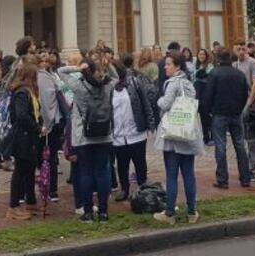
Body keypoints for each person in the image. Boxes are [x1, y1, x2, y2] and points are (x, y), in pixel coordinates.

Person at [153, 52, 204, 225]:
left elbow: (165, 104)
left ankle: (169, 213)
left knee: (172, 174)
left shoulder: (173, 84)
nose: (165, 67)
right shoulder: (188, 83)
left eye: (168, 64)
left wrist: (158, 99)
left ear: (177, 66)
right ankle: (192, 211)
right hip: (187, 132)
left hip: (173, 134)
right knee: (188, 173)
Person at [67, 56, 114, 222]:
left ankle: (87, 212)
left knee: (85, 173)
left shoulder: (78, 87)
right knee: (103, 172)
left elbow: (60, 71)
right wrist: (109, 65)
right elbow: (116, 77)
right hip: (104, 134)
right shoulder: (107, 85)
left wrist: (78, 69)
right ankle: (103, 212)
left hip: (83, 137)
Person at [202, 47, 251, 189]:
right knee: (240, 144)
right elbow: (244, 94)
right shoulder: (239, 74)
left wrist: (209, 110)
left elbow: (208, 95)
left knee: (220, 145)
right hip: (235, 113)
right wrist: (240, 107)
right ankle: (245, 177)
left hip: (219, 113)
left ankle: (222, 179)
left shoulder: (214, 74)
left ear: (218, 59)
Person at [111, 56, 154, 203]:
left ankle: (142, 188)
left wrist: (150, 123)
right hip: (118, 135)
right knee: (122, 164)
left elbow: (145, 103)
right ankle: (125, 189)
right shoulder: (109, 89)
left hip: (136, 133)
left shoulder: (134, 83)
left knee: (140, 162)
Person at [6, 62, 43, 221]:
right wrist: (37, 127)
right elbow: (21, 115)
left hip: (30, 136)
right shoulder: (22, 92)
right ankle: (13, 207)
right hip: (23, 136)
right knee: (20, 171)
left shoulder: (28, 92)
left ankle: (31, 201)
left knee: (29, 169)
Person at [36, 51, 64, 203]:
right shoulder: (46, 77)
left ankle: (50, 189)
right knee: (47, 157)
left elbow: (47, 103)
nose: (45, 62)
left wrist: (47, 124)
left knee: (49, 157)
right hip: (46, 123)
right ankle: (49, 188)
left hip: (48, 124)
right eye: (42, 59)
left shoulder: (47, 77)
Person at [193, 48, 213, 145]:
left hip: (205, 94)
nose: (201, 56)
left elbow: (208, 78)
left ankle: (208, 137)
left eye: (203, 54)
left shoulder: (209, 66)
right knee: (195, 116)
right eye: (200, 54)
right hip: (196, 94)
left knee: (206, 116)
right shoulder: (194, 66)